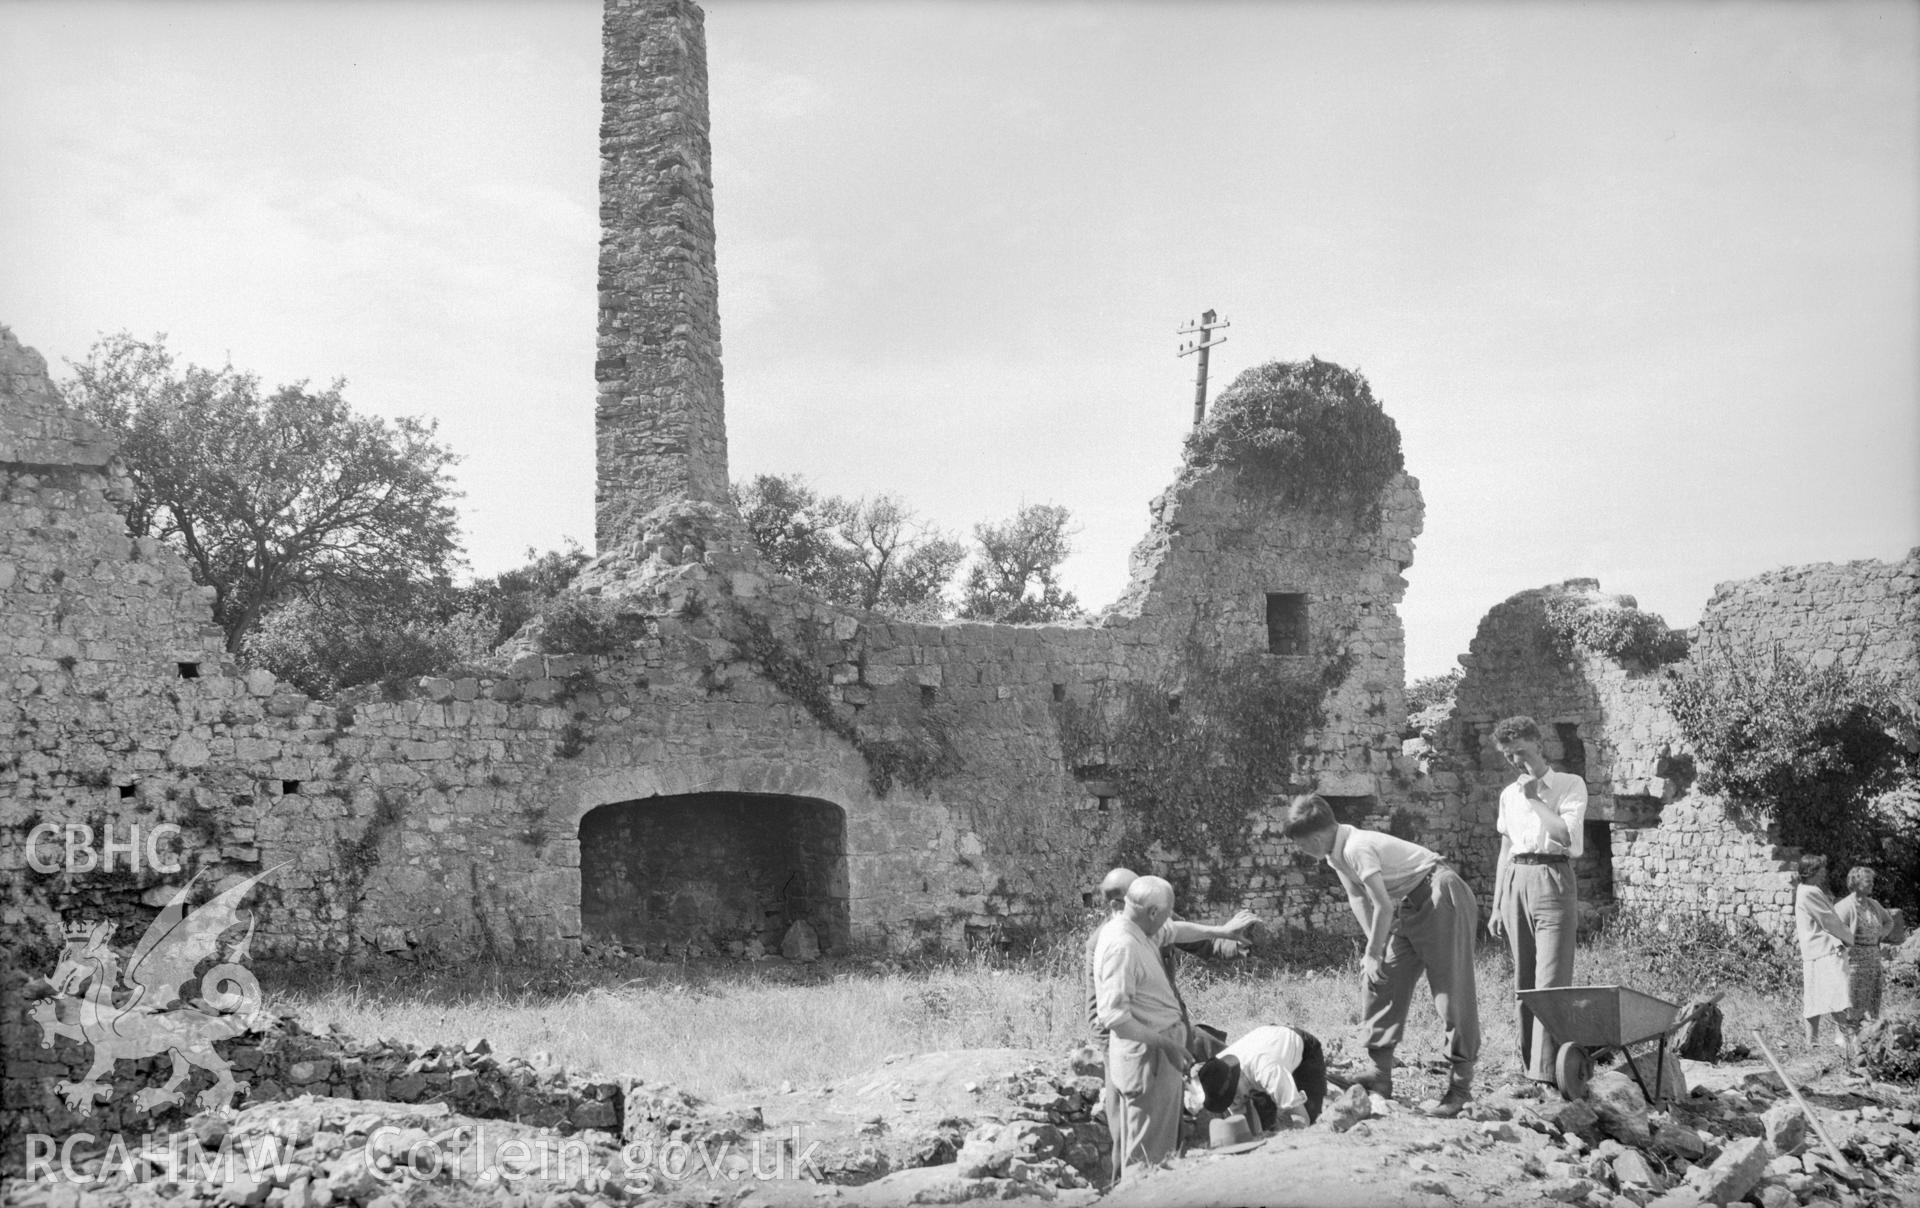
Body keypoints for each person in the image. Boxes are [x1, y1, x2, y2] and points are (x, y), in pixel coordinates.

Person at [1280, 794, 1480, 1117]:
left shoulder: (1356, 847)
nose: (1303, 853)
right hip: (1413, 903)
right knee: (1380, 977)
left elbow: (1383, 906)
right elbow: (1358, 898)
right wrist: (1375, 950)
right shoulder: (1335, 853)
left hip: (1441, 894)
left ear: (1315, 838)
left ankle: (1460, 1089)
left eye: (1303, 846)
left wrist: (1373, 950)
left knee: (1450, 993)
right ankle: (1379, 1074)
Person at [1487, 714, 1588, 1087]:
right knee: (1525, 980)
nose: (1516, 762)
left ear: (1539, 746)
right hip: (1517, 879)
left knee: (1551, 980)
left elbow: (1565, 837)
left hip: (1552, 877)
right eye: (1509, 756)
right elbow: (1506, 849)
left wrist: (1535, 799)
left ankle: (1548, 1073)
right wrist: (1498, 903)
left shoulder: (1568, 784)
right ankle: (1528, 1065)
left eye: (1522, 753)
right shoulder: (1508, 794)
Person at [1081, 867, 1259, 1052]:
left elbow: (1191, 936)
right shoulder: (1111, 944)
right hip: (1140, 1046)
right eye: (1135, 896)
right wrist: (1111, 1060)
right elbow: (1102, 1015)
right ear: (1118, 905)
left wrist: (1234, 940)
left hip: (1172, 1029)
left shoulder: (1153, 914)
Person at [1091, 875, 1190, 1181]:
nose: (1166, 923)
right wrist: (1167, 1044)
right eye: (1164, 916)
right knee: (1148, 1162)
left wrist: (1221, 931)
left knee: (1150, 1151)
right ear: (1151, 913)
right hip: (1149, 1059)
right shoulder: (1123, 945)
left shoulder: (1135, 929)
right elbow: (1115, 1018)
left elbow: (1175, 931)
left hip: (1154, 1057)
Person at [1187, 1024, 1328, 1134]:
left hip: (1301, 1048)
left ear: (1237, 1079)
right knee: (1266, 1121)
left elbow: (1301, 1119)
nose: (1234, 1102)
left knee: (1311, 1116)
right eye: (1230, 1100)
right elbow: (1248, 1127)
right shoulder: (1218, 1075)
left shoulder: (1267, 1070)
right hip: (1264, 1041)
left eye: (1234, 1097)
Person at [1794, 853, 1855, 1058]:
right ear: (1811, 872)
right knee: (1838, 991)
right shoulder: (1809, 892)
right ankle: (1843, 1038)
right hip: (1824, 949)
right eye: (1821, 870)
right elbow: (1829, 921)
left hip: (1816, 949)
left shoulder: (1807, 890)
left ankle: (1814, 1041)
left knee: (1815, 995)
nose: (1824, 873)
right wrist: (1849, 938)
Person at [1835, 865, 1901, 1025]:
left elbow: (1889, 921)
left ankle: (1869, 1035)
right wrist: (1839, 948)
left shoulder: (1873, 904)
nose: (1872, 884)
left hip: (1873, 960)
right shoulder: (1845, 906)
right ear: (1856, 883)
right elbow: (1834, 930)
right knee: (1853, 999)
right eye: (1868, 881)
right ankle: (1848, 1034)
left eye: (1872, 881)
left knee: (1872, 1000)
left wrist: (1881, 934)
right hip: (1854, 961)